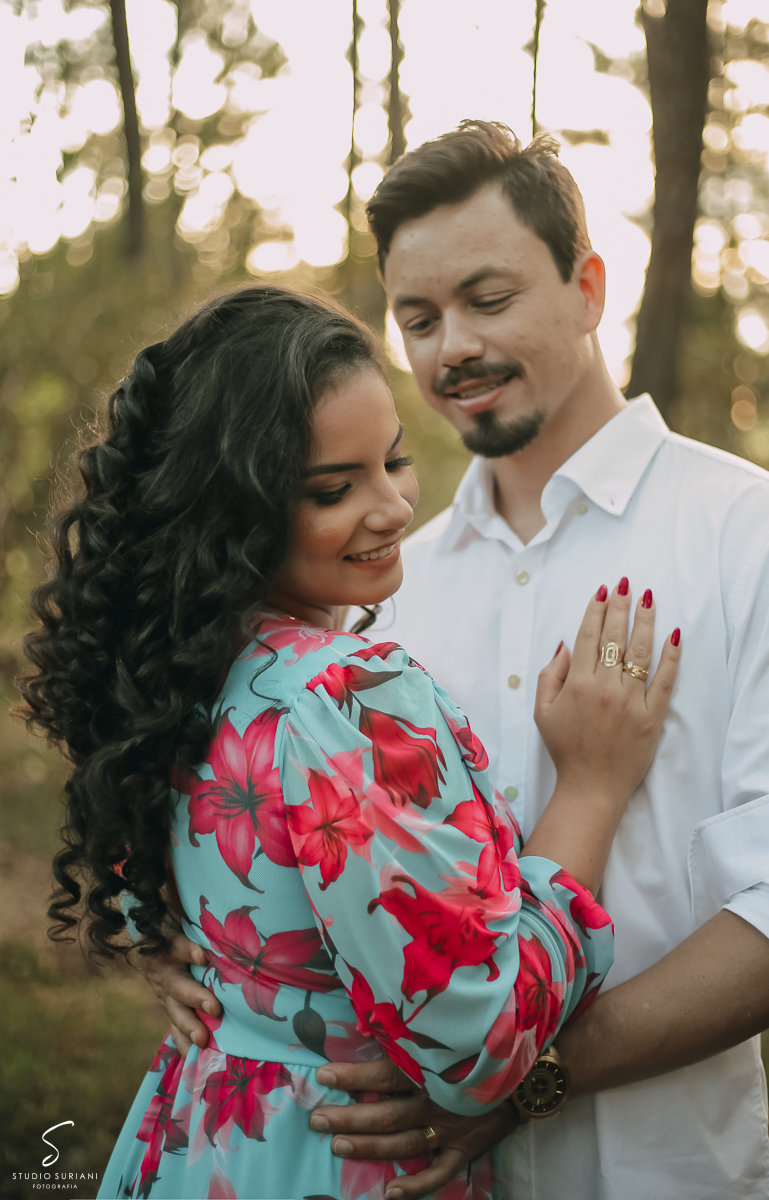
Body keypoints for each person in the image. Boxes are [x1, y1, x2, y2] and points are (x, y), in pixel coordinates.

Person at [149, 122, 769, 1200]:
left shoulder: (758, 539)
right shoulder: (376, 595)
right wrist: (193, 953)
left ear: (588, 286)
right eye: (417, 317)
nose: (449, 348)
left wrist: (524, 1075)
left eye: (486, 300)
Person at [18, 284, 680, 1199]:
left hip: (203, 1139)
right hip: (340, 1158)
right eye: (334, 488)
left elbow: (173, 892)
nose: (395, 507)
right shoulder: (348, 695)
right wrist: (592, 792)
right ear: (228, 509)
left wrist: (177, 949)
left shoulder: (177, 675)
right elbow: (480, 1044)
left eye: (394, 462)